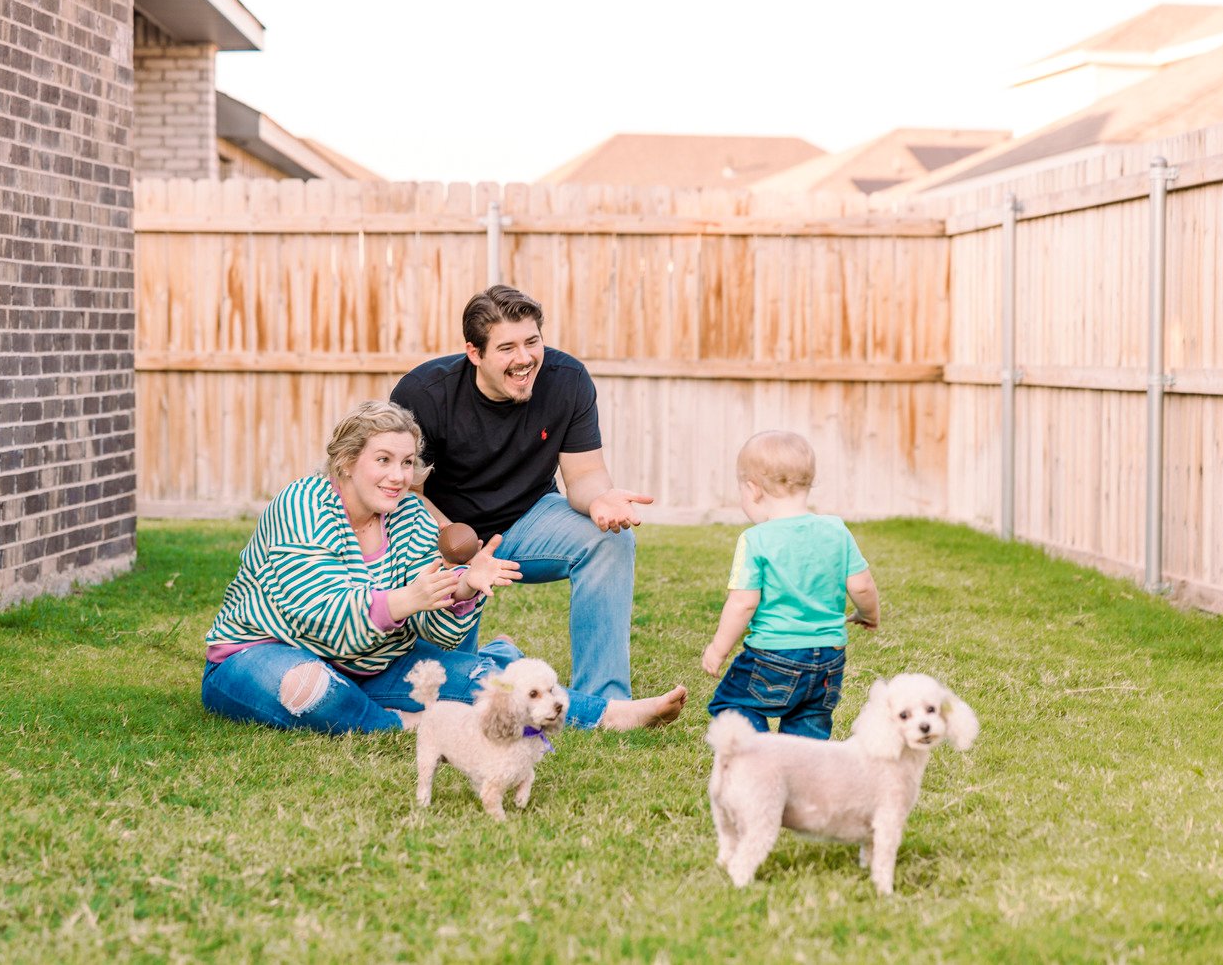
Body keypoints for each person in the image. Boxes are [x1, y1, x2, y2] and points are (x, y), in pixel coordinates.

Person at [201, 400, 686, 735]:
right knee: (313, 691)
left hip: (375, 665)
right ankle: (400, 723)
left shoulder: (410, 516)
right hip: (264, 653)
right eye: (384, 460)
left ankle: (612, 714)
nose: (398, 477)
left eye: (408, 463)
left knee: (485, 681)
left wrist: (462, 590)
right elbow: (324, 619)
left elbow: (438, 632)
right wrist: (409, 598)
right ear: (347, 461)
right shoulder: (303, 503)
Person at [390, 285, 656, 703]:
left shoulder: (567, 381)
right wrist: (460, 551)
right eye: (507, 348)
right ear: (474, 353)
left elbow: (584, 473)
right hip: (447, 534)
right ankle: (499, 655)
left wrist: (600, 500)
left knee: (610, 539)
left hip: (529, 518)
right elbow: (408, 495)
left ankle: (607, 700)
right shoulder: (424, 394)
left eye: (532, 342)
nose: (525, 359)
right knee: (446, 692)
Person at [700, 430, 880, 738]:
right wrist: (869, 615)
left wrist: (718, 649)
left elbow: (743, 603)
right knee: (808, 725)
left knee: (732, 705)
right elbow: (862, 586)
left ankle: (756, 760)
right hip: (830, 657)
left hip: (773, 655)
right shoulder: (836, 530)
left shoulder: (755, 539)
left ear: (753, 489)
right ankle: (804, 778)